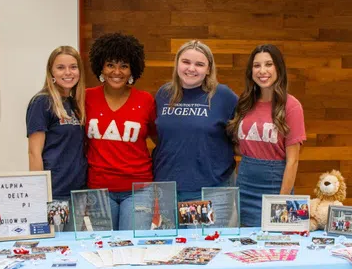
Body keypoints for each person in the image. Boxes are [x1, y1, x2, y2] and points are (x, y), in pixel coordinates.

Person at [228, 44, 306, 227]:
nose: (262, 71)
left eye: (268, 64)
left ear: (278, 68)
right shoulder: (245, 103)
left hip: (275, 186)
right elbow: (243, 144)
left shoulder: (292, 106)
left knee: (276, 245)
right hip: (245, 183)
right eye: (257, 66)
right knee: (246, 246)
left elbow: (292, 161)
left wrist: (282, 202)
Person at [85, 32, 156, 231]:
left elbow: (158, 138)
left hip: (138, 190)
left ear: (132, 69)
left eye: (124, 65)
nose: (117, 71)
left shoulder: (146, 101)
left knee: (133, 248)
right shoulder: (86, 98)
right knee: (102, 249)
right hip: (99, 190)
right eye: (110, 64)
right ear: (101, 67)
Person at [152, 40, 237, 202]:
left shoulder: (223, 95)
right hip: (167, 187)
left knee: (212, 230)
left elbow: (242, 132)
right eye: (185, 62)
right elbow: (158, 135)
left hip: (213, 189)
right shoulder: (164, 94)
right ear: (177, 63)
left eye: (199, 64)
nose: (191, 69)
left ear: (208, 69)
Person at [27, 46, 87, 230]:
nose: (68, 72)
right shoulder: (42, 102)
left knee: (73, 250)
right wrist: (40, 195)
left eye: (73, 67)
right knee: (53, 248)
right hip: (54, 193)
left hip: (77, 192)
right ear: (51, 72)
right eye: (61, 67)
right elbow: (33, 153)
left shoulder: (75, 104)